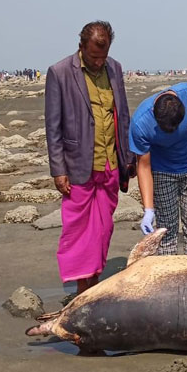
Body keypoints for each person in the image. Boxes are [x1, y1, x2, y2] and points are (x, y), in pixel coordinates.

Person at [45, 20, 136, 295]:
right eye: (94, 57)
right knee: (79, 230)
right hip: (78, 166)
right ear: (81, 46)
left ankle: (93, 283)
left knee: (103, 229)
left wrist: (127, 160)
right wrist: (58, 170)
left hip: (109, 162)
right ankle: (82, 289)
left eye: (103, 56)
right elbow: (53, 126)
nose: (99, 62)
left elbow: (123, 115)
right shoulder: (59, 73)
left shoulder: (115, 68)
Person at [129, 82, 187, 255]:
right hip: (162, 171)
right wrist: (148, 209)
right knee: (166, 229)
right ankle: (169, 274)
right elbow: (143, 167)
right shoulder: (140, 123)